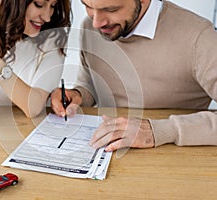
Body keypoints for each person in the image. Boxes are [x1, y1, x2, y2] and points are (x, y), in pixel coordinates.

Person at [51, 0, 217, 151]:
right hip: (105, 156)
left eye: (111, 9)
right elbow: (92, 82)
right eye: (87, 6)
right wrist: (78, 95)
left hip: (173, 160)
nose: (96, 22)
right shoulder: (90, 28)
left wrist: (161, 130)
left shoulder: (200, 37)